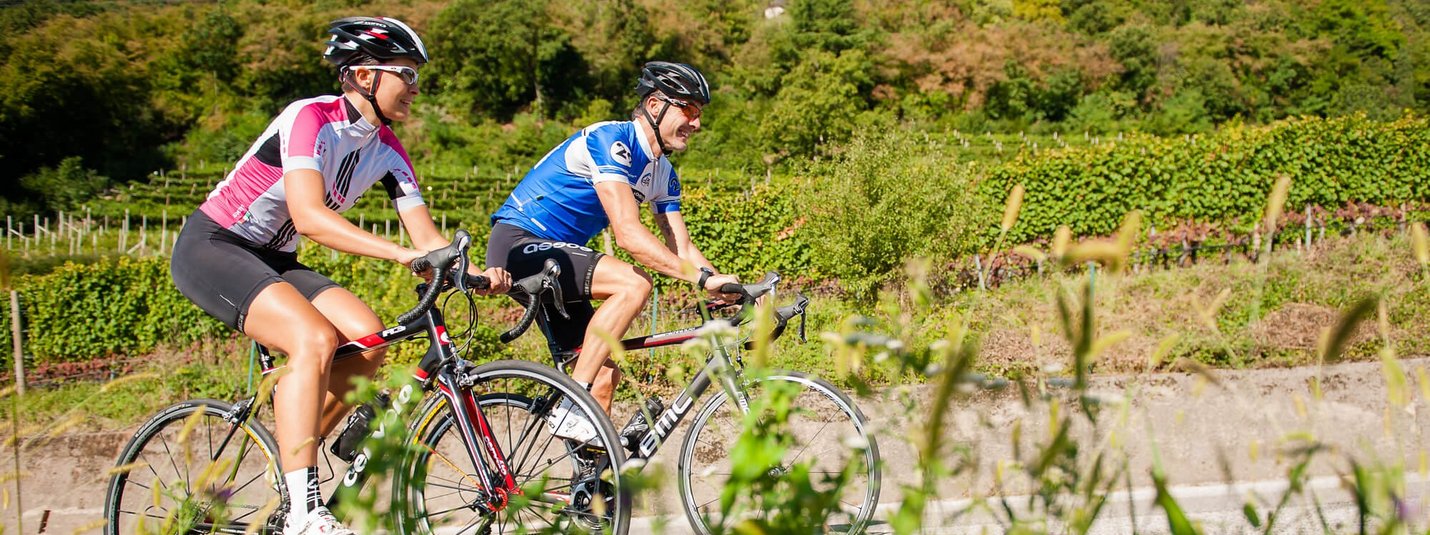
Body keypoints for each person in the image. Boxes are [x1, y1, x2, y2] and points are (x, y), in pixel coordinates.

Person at [169, 17, 509, 535]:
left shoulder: (389, 149)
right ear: (365, 76)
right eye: (406, 74)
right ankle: (305, 510)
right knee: (314, 337)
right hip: (214, 244)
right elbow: (308, 217)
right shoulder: (309, 118)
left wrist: (475, 273)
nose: (415, 88)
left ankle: (289, 473)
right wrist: (398, 255)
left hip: (275, 259)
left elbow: (426, 236)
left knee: (369, 339)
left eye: (417, 76)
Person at [487, 61, 740, 448]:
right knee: (633, 283)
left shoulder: (663, 173)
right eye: (689, 110)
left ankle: (591, 496)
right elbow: (627, 233)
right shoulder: (611, 141)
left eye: (699, 114)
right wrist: (700, 279)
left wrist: (724, 283)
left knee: (605, 376)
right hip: (520, 242)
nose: (697, 123)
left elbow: (682, 246)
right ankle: (573, 402)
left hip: (559, 260)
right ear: (656, 106)